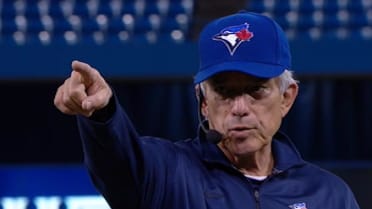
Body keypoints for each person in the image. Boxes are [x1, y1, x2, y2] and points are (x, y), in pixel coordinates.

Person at [54, 11, 360, 209]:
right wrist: (103, 115)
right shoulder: (167, 174)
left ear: (286, 98)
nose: (240, 108)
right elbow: (119, 164)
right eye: (224, 93)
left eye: (256, 90)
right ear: (203, 102)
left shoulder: (328, 195)